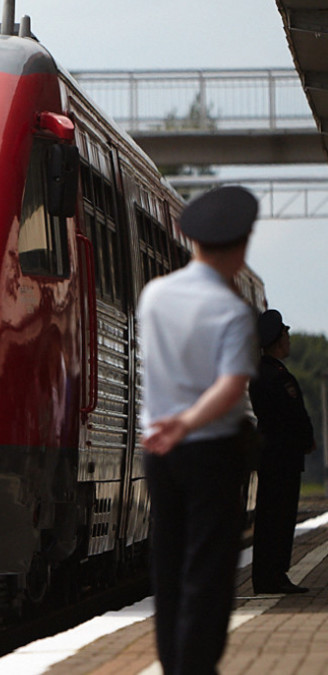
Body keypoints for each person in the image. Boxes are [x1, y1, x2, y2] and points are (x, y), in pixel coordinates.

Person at [137, 186, 260, 675]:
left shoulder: (154, 296)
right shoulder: (232, 311)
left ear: (192, 242)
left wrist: (170, 424)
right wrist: (188, 421)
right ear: (241, 245)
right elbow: (232, 386)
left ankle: (172, 663)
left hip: (158, 452)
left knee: (167, 562)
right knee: (207, 567)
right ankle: (196, 666)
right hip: (210, 451)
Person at [249, 308, 315, 594]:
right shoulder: (277, 376)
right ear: (278, 339)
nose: (289, 338)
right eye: (286, 333)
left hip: (271, 456)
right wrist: (306, 440)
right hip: (284, 457)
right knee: (279, 519)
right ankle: (274, 575)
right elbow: (294, 416)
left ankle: (268, 575)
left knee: (269, 518)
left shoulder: (261, 373)